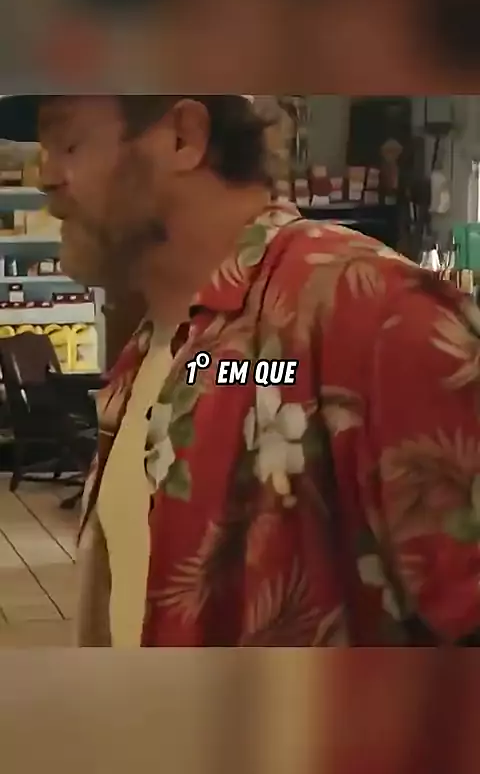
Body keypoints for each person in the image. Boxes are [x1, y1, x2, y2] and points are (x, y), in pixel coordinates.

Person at [0, 93, 479, 648]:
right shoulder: (150, 349)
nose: (45, 176)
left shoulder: (377, 317)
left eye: (68, 143)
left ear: (182, 137)